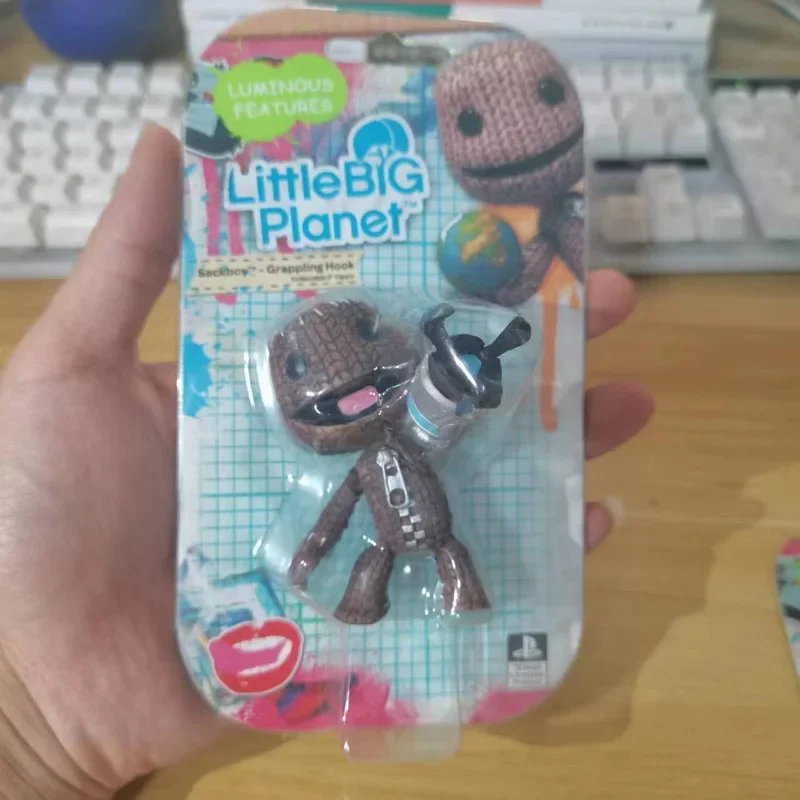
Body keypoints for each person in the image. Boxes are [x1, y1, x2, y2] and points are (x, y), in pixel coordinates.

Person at [0, 126, 654, 799]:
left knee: (451, 555)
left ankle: (461, 597)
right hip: (382, 537)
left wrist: (32, 738)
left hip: (436, 527)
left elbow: (440, 428)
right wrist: (310, 555)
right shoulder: (361, 464)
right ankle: (363, 605)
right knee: (371, 569)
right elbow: (337, 513)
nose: (353, 388)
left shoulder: (415, 430)